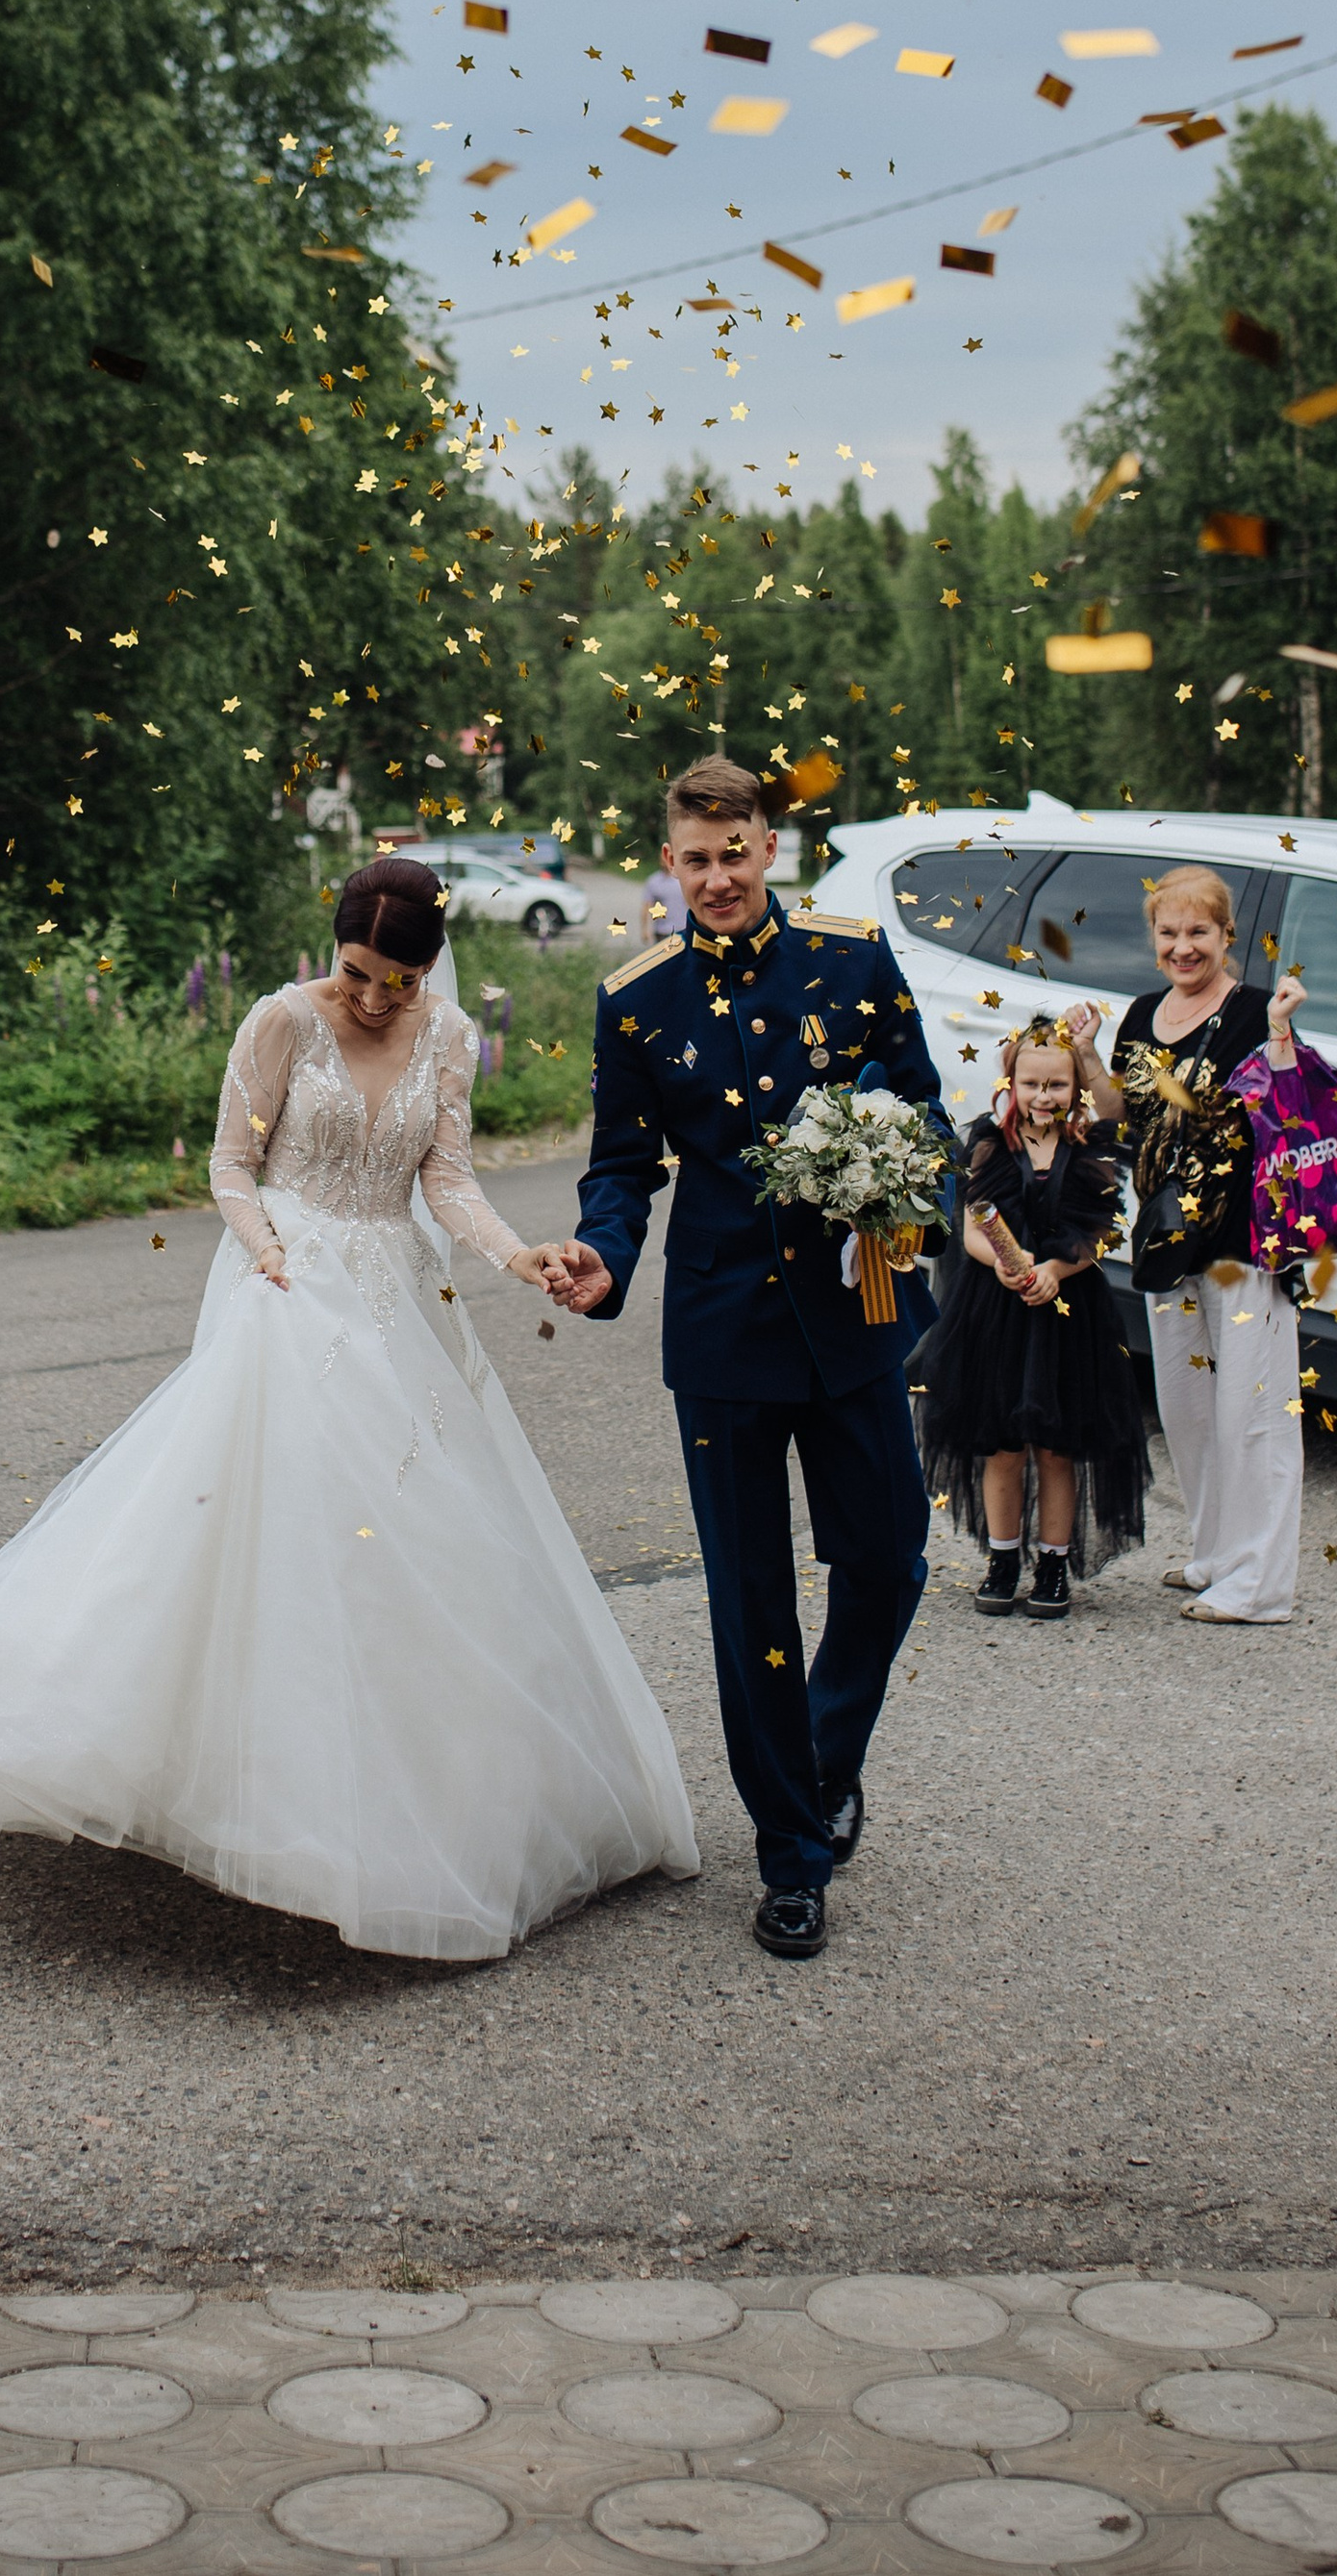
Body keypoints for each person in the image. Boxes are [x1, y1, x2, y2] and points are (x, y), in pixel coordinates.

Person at [0, 857, 697, 1959]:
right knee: (274, 1520)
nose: (374, 998)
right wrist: (266, 1246)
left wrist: (516, 1254)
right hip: (290, 1284)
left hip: (394, 1294)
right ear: (334, 948)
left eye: (399, 981)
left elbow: (445, 1180)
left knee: (416, 1530)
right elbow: (230, 1162)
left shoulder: (449, 1037)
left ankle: (411, 1797)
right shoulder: (280, 1021)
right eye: (357, 972)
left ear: (429, 970)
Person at [543, 759, 950, 1962]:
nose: (717, 877)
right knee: (751, 1599)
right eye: (695, 858)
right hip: (723, 1333)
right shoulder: (638, 1000)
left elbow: (925, 1110)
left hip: (857, 1314)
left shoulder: (851, 961)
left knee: (888, 1559)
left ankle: (824, 1755)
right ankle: (791, 1854)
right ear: (668, 864)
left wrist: (901, 1182)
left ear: (771, 845)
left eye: (735, 852)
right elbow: (624, 1165)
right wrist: (605, 1251)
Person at [1076, 868, 1308, 1626]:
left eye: (1198, 932)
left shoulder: (1254, 1012)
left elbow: (1290, 1109)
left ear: (1226, 935)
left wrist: (1282, 1034)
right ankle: (1216, 1556)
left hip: (1243, 1242)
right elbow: (1121, 1110)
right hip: (1170, 1239)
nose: (1183, 946)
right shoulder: (1144, 1014)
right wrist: (1086, 1056)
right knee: (1190, 1410)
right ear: (1153, 938)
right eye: (1169, 932)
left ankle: (1260, 1585)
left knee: (1253, 1412)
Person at [912, 1018, 1148, 1618]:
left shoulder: (1089, 1150)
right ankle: (1002, 1558)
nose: (1044, 1096)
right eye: (1031, 1084)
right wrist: (1000, 1262)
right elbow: (971, 1227)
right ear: (1010, 1083)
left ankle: (1053, 1564)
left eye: (1057, 1085)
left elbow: (1098, 1233)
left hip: (1068, 1314)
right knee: (1002, 1447)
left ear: (1076, 1088)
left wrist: (1055, 1270)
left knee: (1056, 1448)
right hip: (997, 1314)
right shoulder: (990, 1144)